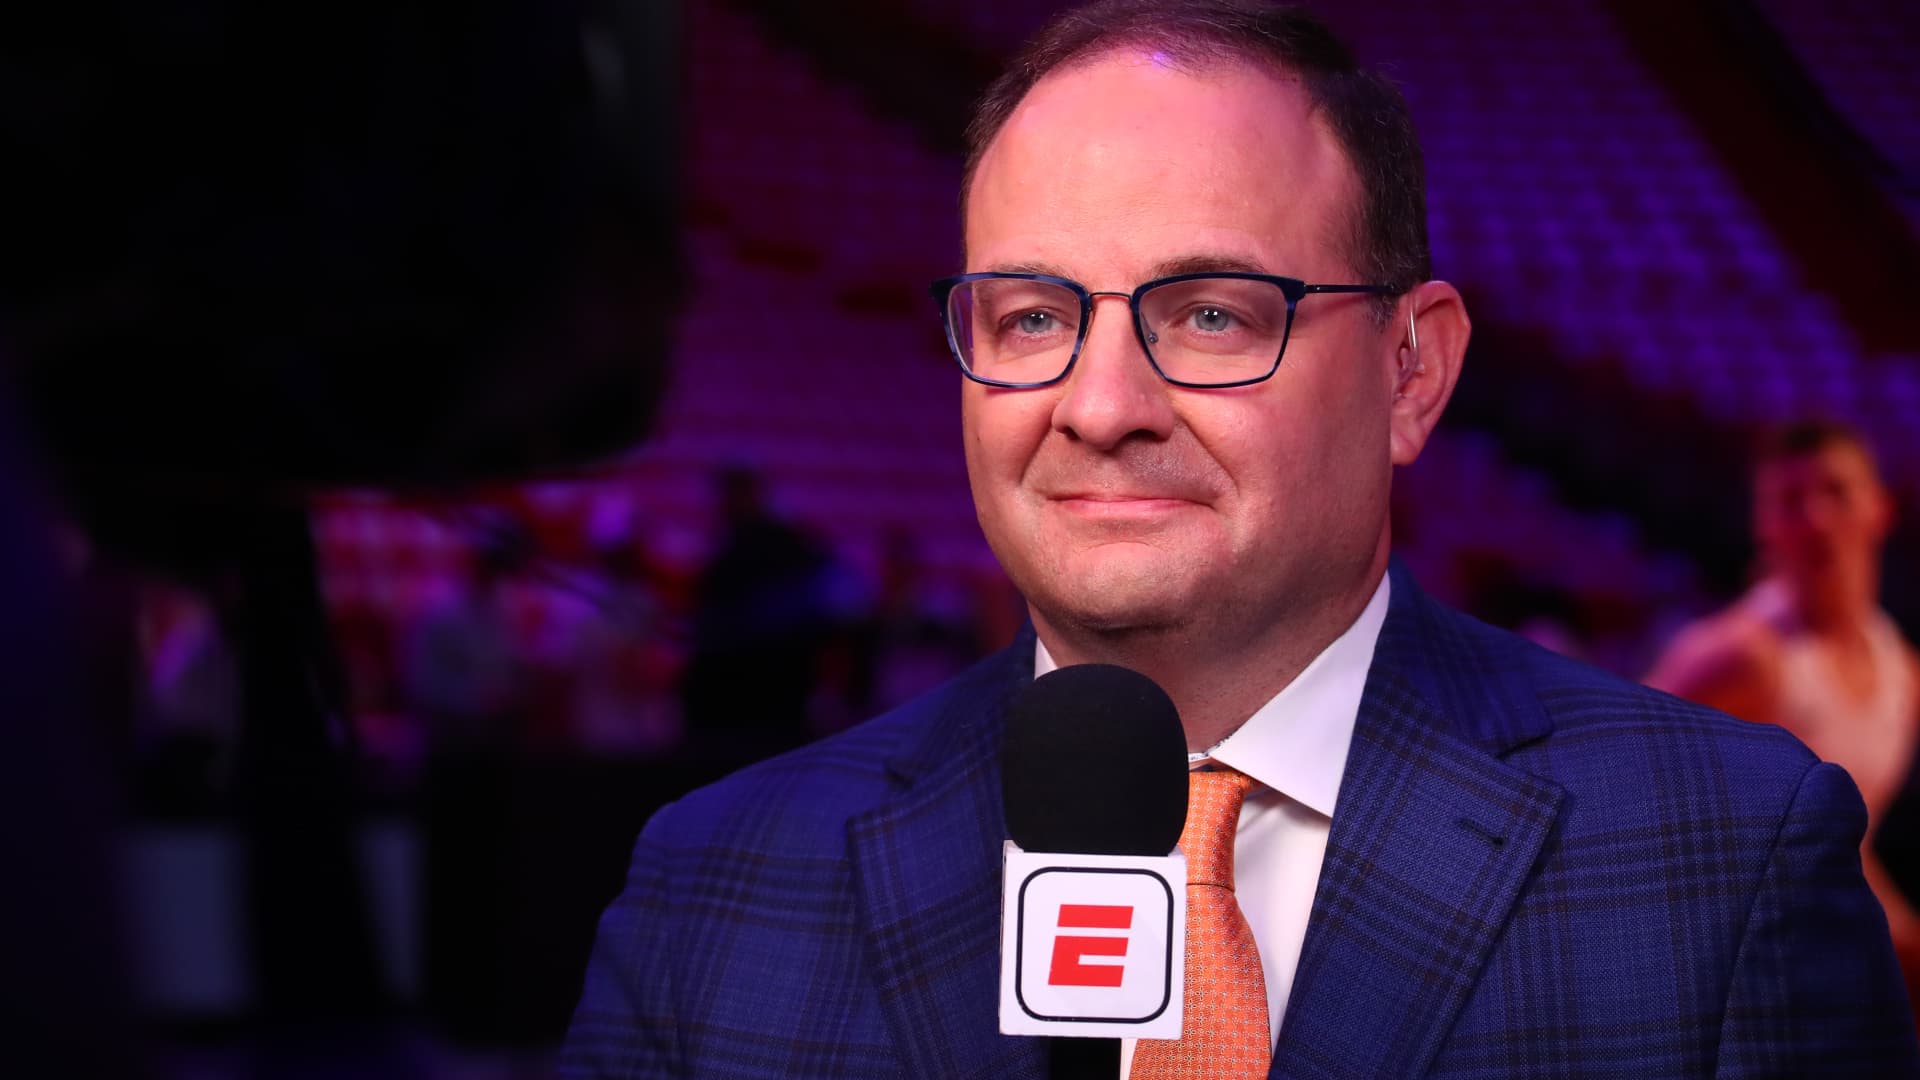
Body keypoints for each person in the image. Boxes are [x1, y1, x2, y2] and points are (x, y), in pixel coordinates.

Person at [564, 2, 1918, 1076]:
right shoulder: (715, 891)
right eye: (1032, 318)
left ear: (1411, 371)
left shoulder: (1724, 862)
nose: (1100, 407)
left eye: (1212, 314)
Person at [1649, 421, 1920, 963]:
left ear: (1880, 509)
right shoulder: (1740, 657)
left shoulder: (1903, 671)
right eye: (1792, 499)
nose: (1815, 518)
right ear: (1763, 523)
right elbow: (1603, 774)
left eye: (1836, 492)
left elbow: (1845, 845)